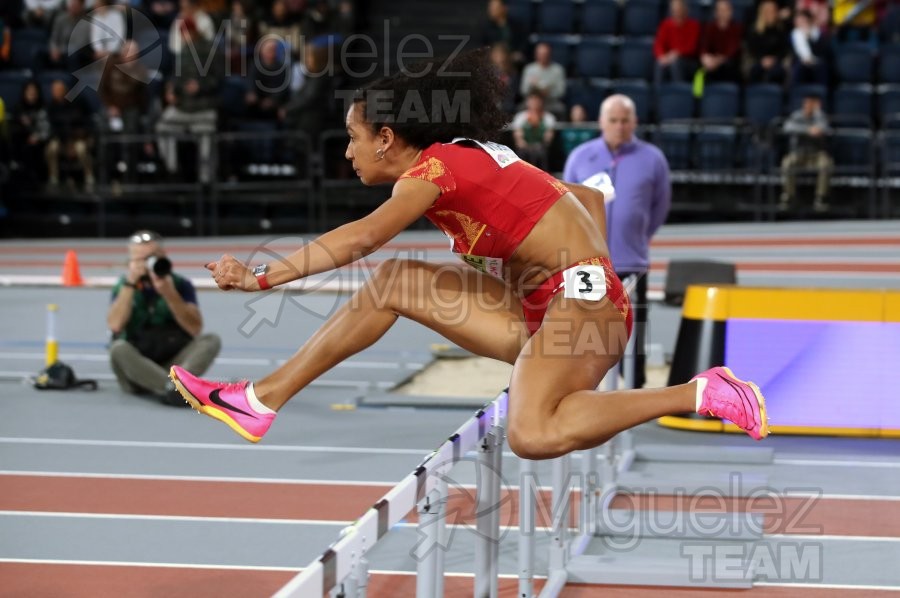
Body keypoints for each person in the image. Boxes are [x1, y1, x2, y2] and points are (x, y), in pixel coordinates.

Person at [169, 50, 768, 454]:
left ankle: (701, 393)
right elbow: (584, 195)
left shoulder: (436, 169)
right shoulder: (465, 160)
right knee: (393, 283)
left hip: (583, 311)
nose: (347, 154)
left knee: (531, 434)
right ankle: (258, 401)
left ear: (386, 138)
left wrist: (260, 278)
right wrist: (566, 262)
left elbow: (361, 237)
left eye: (353, 139)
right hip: (547, 306)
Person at [562, 95, 671, 390]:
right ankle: (580, 391)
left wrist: (640, 234)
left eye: (625, 121)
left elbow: (660, 205)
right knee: (586, 331)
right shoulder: (580, 157)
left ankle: (634, 390)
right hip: (587, 263)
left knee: (634, 335)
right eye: (613, 121)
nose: (619, 127)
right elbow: (566, 205)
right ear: (601, 122)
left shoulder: (653, 159)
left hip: (632, 263)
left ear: (634, 122)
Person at [108, 230, 221, 407]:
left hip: (172, 360)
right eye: (140, 259)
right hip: (137, 367)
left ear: (163, 256)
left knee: (211, 340)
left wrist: (169, 293)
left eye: (152, 257)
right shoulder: (124, 286)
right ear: (130, 262)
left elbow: (194, 329)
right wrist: (130, 284)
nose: (147, 264)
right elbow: (115, 325)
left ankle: (171, 387)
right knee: (118, 348)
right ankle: (174, 388)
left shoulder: (179, 285)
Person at [780, 91, 832, 212]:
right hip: (799, 153)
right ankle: (788, 196)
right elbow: (787, 127)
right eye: (807, 103)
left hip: (816, 154)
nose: (809, 105)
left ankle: (821, 198)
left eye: (812, 103)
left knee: (826, 164)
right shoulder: (797, 115)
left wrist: (818, 113)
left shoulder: (820, 116)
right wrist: (808, 130)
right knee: (787, 163)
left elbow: (824, 128)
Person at [653, 0, 701, 86]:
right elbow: (658, 44)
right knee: (659, 64)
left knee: (676, 64)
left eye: (679, 10)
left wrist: (676, 53)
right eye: (674, 10)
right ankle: (657, 94)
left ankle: (678, 94)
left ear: (685, 10)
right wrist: (662, 56)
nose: (676, 13)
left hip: (688, 61)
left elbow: (692, 47)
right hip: (670, 58)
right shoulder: (666, 25)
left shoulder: (694, 25)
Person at [698, 0, 743, 84]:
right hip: (711, 63)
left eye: (725, 10)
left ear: (730, 12)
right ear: (715, 12)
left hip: (729, 64)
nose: (722, 13)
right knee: (699, 74)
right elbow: (704, 46)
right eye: (720, 10)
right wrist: (705, 57)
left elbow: (733, 50)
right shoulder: (710, 27)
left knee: (729, 68)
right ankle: (697, 96)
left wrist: (718, 60)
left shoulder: (737, 28)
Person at [745, 0, 790, 84]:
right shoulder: (755, 30)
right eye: (767, 11)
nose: (770, 14)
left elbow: (784, 49)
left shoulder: (781, 29)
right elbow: (752, 49)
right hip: (758, 61)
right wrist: (762, 59)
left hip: (777, 62)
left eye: (772, 11)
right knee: (755, 71)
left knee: (777, 73)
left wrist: (774, 59)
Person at [519, 43, 567, 118]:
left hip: (551, 102)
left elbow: (561, 92)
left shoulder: (558, 70)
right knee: (520, 107)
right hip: (533, 101)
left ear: (550, 54)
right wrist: (533, 88)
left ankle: (557, 129)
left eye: (546, 54)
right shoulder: (529, 69)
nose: (543, 56)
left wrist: (548, 92)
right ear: (536, 54)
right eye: (540, 54)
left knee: (561, 109)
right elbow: (523, 90)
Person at [511, 92, 556, 170]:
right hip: (525, 148)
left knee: (540, 153)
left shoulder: (549, 117)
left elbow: (548, 139)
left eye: (536, 101)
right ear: (527, 102)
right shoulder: (520, 117)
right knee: (523, 154)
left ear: (541, 102)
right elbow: (518, 138)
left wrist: (541, 144)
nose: (534, 103)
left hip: (540, 147)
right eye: (532, 100)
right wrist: (525, 145)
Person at [789, 9, 829, 85]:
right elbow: (793, 53)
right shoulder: (794, 35)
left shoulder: (818, 33)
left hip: (817, 61)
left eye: (804, 20)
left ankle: (822, 93)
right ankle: (797, 94)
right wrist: (804, 59)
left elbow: (821, 52)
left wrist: (809, 38)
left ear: (809, 20)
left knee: (822, 67)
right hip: (801, 62)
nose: (801, 23)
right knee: (798, 68)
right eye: (799, 21)